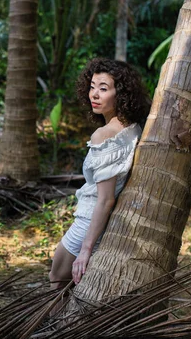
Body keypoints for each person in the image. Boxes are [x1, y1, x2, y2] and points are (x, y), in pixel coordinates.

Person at [49, 57, 149, 288]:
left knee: (57, 281)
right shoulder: (132, 128)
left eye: (103, 88)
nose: (94, 94)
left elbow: (105, 199)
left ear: (120, 94)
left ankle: (55, 326)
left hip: (88, 220)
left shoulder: (104, 135)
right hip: (98, 221)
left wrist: (85, 250)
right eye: (92, 87)